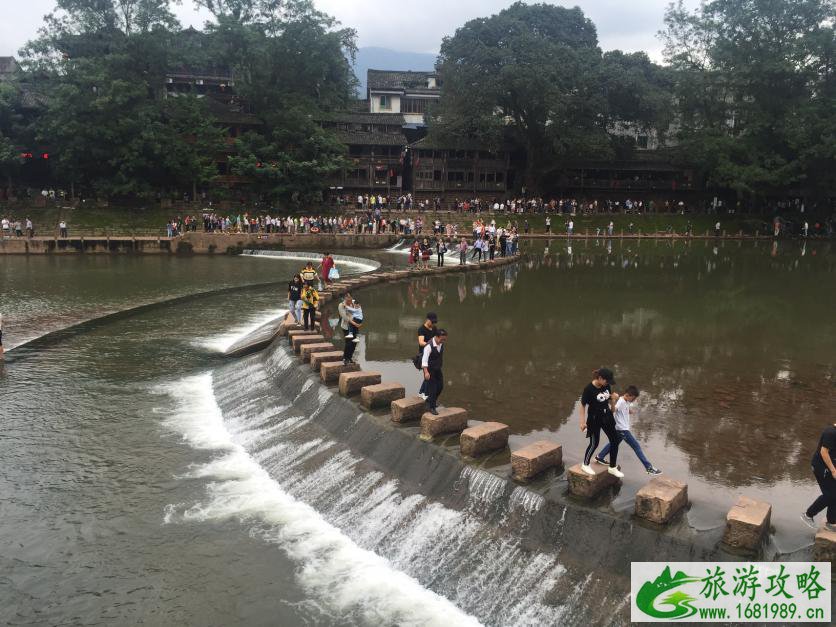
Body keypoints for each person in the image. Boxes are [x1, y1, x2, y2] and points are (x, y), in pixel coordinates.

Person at [595, 386, 661, 475]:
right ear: (628, 395)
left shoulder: (626, 401)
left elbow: (625, 406)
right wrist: (613, 401)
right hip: (623, 429)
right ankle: (648, 468)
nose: (633, 400)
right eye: (633, 398)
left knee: (614, 443)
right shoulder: (621, 401)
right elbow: (613, 410)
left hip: (620, 429)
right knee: (636, 447)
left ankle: (600, 456)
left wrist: (628, 410)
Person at [579, 367, 623, 477]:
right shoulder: (588, 389)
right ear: (600, 378)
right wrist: (582, 422)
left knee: (615, 440)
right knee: (594, 443)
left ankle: (612, 467)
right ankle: (585, 464)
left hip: (607, 416)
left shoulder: (606, 386)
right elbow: (583, 405)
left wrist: (613, 400)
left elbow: (611, 407)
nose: (608, 383)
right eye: (606, 381)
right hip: (594, 418)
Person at [802, 422, 836, 532]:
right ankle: (808, 515)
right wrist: (833, 470)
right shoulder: (830, 433)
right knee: (830, 495)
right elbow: (824, 452)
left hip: (830, 467)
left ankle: (831, 522)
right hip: (821, 468)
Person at [421, 329, 448, 415]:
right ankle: (431, 407)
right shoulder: (429, 346)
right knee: (432, 389)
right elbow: (424, 360)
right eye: (442, 339)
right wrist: (426, 372)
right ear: (436, 337)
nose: (443, 341)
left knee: (440, 386)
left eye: (444, 339)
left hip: (437, 369)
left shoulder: (441, 344)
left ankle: (430, 400)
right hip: (430, 370)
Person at [417, 313, 438, 399]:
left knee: (430, 375)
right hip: (424, 355)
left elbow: (437, 339)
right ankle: (425, 394)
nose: (433, 324)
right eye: (431, 322)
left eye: (434, 322)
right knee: (428, 375)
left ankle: (422, 393)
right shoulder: (421, 329)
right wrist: (431, 345)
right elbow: (421, 342)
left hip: (433, 355)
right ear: (427, 319)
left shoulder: (434, 328)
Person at [338, 293, 357, 364]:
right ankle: (345, 358)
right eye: (348, 298)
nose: (350, 300)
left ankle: (350, 357)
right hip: (346, 327)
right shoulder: (341, 305)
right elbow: (344, 317)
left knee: (354, 342)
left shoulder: (354, 303)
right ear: (345, 298)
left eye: (350, 298)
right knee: (348, 343)